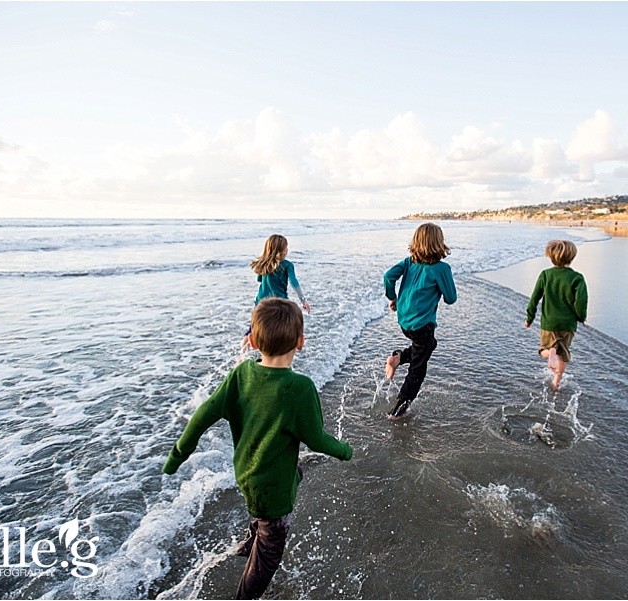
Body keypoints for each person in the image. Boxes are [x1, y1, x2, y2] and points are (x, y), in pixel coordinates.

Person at [162, 298, 353, 600]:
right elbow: (316, 440)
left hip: (246, 473)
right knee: (268, 555)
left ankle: (249, 541)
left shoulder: (241, 375)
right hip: (273, 490)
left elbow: (202, 415)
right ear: (300, 342)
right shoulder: (300, 388)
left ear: (252, 342)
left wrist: (177, 456)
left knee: (292, 476)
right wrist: (344, 450)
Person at [383, 223, 457, 419]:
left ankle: (398, 358)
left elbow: (388, 276)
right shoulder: (441, 269)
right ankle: (398, 411)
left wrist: (392, 297)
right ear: (439, 243)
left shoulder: (408, 262)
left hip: (404, 321)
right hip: (423, 324)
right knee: (418, 369)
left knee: (427, 345)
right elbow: (451, 298)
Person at [524, 239, 588, 390]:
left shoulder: (546, 275)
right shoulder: (577, 278)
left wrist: (529, 318)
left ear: (551, 257)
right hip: (567, 324)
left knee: (543, 350)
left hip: (549, 323)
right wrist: (581, 317)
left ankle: (549, 353)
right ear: (572, 257)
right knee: (563, 354)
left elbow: (534, 298)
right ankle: (556, 382)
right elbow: (581, 301)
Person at [242, 234, 310, 351]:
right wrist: (303, 301)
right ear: (282, 250)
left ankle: (241, 354)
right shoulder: (287, 265)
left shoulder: (264, 264)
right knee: (285, 329)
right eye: (286, 247)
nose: (287, 250)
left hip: (261, 302)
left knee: (254, 329)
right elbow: (294, 282)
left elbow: (259, 280)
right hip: (279, 303)